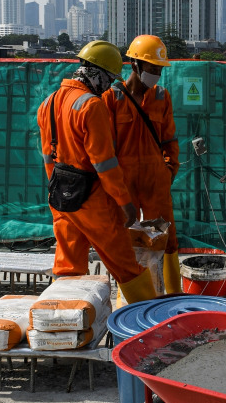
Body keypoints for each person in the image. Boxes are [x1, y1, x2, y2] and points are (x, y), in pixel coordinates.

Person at [37, 40, 158, 304]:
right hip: (93, 200)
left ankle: (65, 316)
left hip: (61, 197)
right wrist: (125, 203)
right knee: (125, 265)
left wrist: (61, 191)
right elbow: (105, 164)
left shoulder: (48, 103)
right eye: (110, 78)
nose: (110, 85)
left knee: (68, 263)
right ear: (98, 73)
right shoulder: (92, 106)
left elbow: (48, 156)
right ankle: (150, 321)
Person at [103, 35, 181, 294]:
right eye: (152, 68)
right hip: (124, 183)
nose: (157, 74)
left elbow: (170, 139)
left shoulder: (161, 96)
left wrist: (169, 171)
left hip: (155, 181)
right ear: (134, 65)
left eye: (159, 69)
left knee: (166, 237)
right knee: (126, 239)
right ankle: (131, 298)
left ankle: (172, 295)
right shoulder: (112, 98)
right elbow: (105, 146)